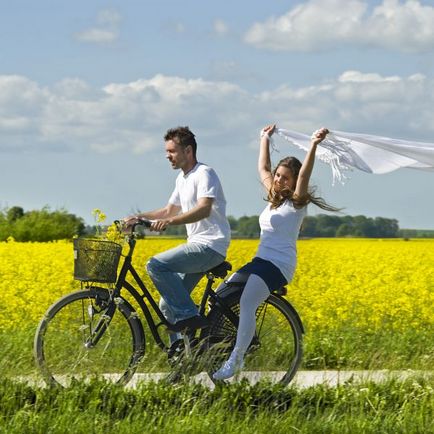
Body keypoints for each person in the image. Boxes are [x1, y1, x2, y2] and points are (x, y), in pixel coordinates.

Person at [213, 124, 338, 380]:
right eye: (279, 175)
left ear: (293, 182)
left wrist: (314, 144)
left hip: (278, 265)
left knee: (248, 302)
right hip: (260, 261)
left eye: (285, 177)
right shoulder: (273, 197)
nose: (280, 180)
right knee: (220, 296)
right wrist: (264, 138)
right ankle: (217, 348)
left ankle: (236, 359)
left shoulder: (296, 203)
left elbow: (304, 176)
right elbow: (263, 168)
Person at [123, 126, 231, 335]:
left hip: (210, 245)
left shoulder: (204, 173)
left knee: (155, 265)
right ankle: (182, 359)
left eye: (172, 151)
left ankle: (190, 317)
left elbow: (204, 209)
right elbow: (167, 210)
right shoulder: (182, 179)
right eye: (167, 151)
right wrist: (139, 218)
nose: (167, 156)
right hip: (197, 246)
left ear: (188, 151)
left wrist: (170, 222)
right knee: (166, 305)